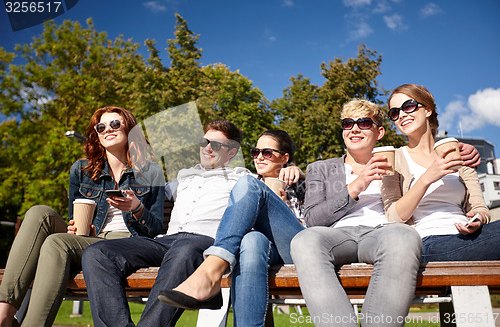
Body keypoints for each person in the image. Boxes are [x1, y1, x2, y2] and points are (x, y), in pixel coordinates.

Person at [0, 106, 165, 327]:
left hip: (129, 243)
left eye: (115, 124)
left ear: (130, 130)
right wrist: (76, 229)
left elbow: (156, 230)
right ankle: (4, 314)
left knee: (56, 242)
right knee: (39, 213)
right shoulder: (82, 170)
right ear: (96, 134)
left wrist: (136, 208)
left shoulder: (151, 171)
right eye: (101, 127)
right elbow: (75, 218)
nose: (108, 129)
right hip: (92, 239)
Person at [81, 119, 251, 327]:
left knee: (185, 250)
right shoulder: (185, 176)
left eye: (215, 145)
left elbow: (268, 193)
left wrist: (289, 172)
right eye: (203, 142)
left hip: (205, 244)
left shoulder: (243, 179)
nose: (207, 148)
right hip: (166, 242)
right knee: (97, 253)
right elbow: (151, 194)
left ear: (232, 152)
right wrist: (134, 203)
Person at [290, 99, 423, 327]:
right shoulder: (320, 168)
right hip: (337, 236)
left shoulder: (398, 163)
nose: (354, 128)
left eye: (363, 123)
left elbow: (426, 154)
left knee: (404, 236)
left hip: (382, 232)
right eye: (347, 123)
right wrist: (357, 185)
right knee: (304, 240)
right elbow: (313, 219)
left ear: (379, 132)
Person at [158, 129, 306, 326]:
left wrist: (300, 174)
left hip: (297, 248)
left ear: (285, 157)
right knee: (252, 240)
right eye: (256, 152)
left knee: (249, 187)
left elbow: (317, 218)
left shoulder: (298, 182)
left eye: (267, 153)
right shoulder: (246, 182)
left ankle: (211, 272)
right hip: (260, 250)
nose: (260, 157)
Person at [381, 83, 500, 262]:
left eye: (408, 106)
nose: (402, 115)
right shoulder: (394, 158)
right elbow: (394, 217)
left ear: (427, 109)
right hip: (428, 242)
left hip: (470, 236)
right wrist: (428, 177)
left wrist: (479, 219)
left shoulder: (457, 152)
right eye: (395, 112)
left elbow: (479, 207)